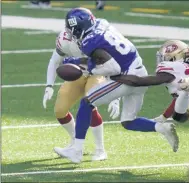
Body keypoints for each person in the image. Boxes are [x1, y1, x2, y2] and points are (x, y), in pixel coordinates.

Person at [54, 7, 179, 163]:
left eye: (73, 30)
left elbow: (113, 68)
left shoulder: (89, 42)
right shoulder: (101, 24)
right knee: (128, 121)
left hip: (127, 78)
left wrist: (86, 69)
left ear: (79, 28)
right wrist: (80, 62)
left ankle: (77, 151)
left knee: (86, 103)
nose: (72, 34)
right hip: (139, 70)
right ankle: (162, 128)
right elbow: (105, 57)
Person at [111, 40, 189, 173]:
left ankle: (186, 92)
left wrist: (118, 77)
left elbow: (144, 81)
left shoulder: (169, 67)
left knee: (180, 116)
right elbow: (175, 101)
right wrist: (164, 116)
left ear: (173, 56)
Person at [43, 25, 121, 161]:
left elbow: (115, 66)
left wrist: (116, 97)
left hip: (98, 73)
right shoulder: (65, 39)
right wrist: (49, 86)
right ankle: (75, 144)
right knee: (60, 110)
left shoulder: (99, 38)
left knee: (89, 105)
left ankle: (100, 150)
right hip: (78, 73)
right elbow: (54, 61)